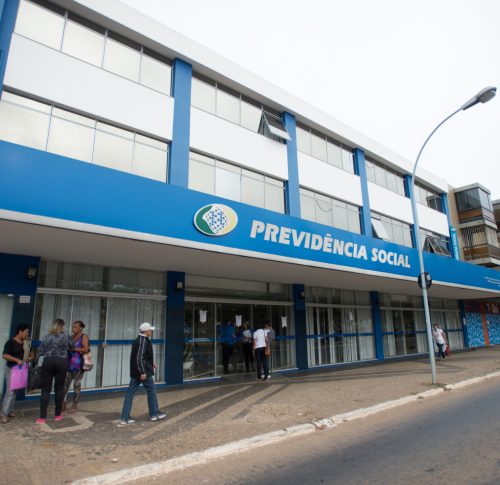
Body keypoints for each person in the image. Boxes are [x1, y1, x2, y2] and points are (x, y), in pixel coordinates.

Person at [119, 322, 166, 425]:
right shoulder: (143, 341)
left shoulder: (138, 340)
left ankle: (124, 417)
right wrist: (143, 372)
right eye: (150, 330)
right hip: (143, 373)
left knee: (130, 394)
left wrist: (151, 363)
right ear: (146, 331)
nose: (151, 331)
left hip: (136, 372)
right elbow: (139, 358)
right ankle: (154, 414)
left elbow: (142, 356)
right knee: (151, 391)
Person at [37, 319, 73, 424]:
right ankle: (57, 415)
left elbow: (40, 350)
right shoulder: (66, 336)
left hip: (48, 361)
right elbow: (73, 346)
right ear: (62, 326)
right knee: (59, 389)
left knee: (45, 390)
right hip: (61, 362)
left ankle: (42, 417)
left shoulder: (47, 336)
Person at [1, 324, 31, 424]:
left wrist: (29, 357)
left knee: (15, 391)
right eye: (26, 332)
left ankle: (10, 410)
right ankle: (3, 414)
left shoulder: (24, 343)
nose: (27, 334)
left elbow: (26, 354)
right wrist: (16, 360)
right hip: (11, 369)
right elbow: (5, 355)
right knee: (10, 392)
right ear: (20, 331)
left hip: (20, 370)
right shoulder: (10, 342)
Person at [63, 321, 90, 413]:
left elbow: (86, 349)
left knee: (76, 385)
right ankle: (63, 403)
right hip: (68, 364)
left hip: (78, 365)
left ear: (81, 328)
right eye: (73, 327)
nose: (73, 329)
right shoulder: (70, 337)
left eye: (75, 327)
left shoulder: (84, 336)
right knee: (65, 385)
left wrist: (74, 349)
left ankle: (74, 405)